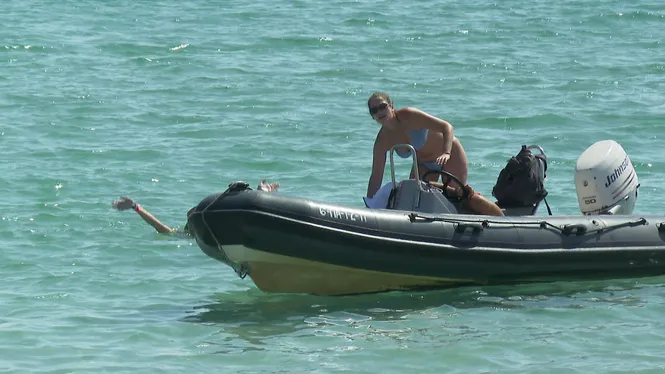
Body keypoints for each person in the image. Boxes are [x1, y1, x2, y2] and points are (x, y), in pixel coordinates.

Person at [366, 91, 469, 199]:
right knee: (414, 198)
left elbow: (447, 127)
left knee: (455, 197)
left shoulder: (409, 115)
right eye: (374, 110)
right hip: (424, 164)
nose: (380, 111)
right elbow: (376, 177)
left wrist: (446, 152)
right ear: (373, 116)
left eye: (383, 106)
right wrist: (369, 204)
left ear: (391, 106)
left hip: (450, 155)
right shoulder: (382, 140)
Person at [112, 180, 280, 235]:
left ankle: (261, 192)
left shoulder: (209, 226)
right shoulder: (192, 236)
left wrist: (135, 207)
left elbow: (159, 227)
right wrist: (135, 207)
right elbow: (159, 227)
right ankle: (262, 192)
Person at [364, 180, 504, 216]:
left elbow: (427, 184)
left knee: (474, 199)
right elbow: (428, 184)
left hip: (461, 206)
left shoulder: (472, 200)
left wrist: (456, 191)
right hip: (452, 205)